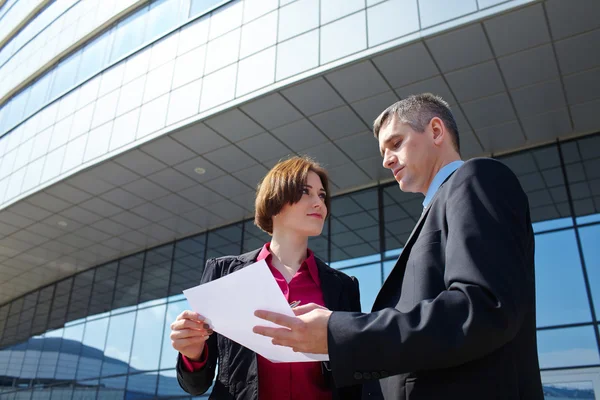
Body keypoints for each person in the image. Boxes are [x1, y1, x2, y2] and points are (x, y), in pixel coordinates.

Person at [253, 93, 544, 399]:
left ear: (435, 131)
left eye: (395, 143)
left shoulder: (476, 178)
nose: (386, 159)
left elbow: (482, 307)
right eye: (383, 151)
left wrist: (337, 331)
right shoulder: (439, 207)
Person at [170, 156, 362, 400]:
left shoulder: (343, 286)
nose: (319, 204)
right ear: (276, 200)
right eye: (306, 192)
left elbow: (354, 375)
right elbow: (196, 385)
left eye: (322, 195)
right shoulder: (224, 273)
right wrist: (193, 354)